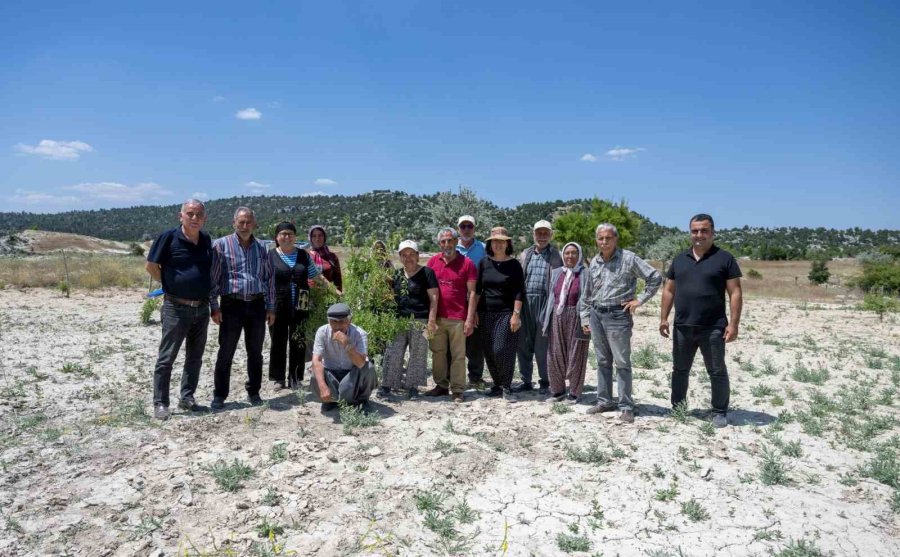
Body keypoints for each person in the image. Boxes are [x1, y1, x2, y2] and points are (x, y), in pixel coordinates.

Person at [660, 214, 742, 428]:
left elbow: (735, 293)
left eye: (704, 230)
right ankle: (678, 407)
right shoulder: (679, 260)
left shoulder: (725, 259)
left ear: (712, 233)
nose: (699, 235)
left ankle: (719, 411)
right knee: (679, 369)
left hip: (713, 327)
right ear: (690, 233)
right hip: (682, 327)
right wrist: (663, 318)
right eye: (695, 231)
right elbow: (668, 290)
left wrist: (733, 324)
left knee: (716, 370)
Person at [582, 223, 662, 423]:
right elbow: (588, 292)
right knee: (602, 361)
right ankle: (605, 401)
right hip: (596, 314)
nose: (604, 241)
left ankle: (626, 405)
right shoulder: (594, 262)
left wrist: (639, 300)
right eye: (600, 238)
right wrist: (585, 316)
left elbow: (655, 277)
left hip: (618, 316)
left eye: (608, 238)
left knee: (622, 362)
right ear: (596, 240)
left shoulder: (628, 258)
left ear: (615, 239)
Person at [145, 199, 213, 420]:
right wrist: (168, 285)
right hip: (176, 307)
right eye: (190, 214)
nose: (194, 218)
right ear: (180, 216)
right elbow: (151, 265)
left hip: (201, 308)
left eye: (199, 215)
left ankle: (187, 397)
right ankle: (160, 403)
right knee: (167, 358)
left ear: (204, 218)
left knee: (195, 356)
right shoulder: (168, 237)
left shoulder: (205, 239)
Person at [209, 207, 276, 410]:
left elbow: (269, 279)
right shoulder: (221, 245)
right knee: (226, 351)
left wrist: (271, 307)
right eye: (241, 222)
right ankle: (220, 395)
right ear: (234, 223)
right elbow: (213, 278)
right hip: (231, 304)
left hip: (257, 305)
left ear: (254, 224)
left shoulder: (263, 248)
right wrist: (214, 305)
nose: (245, 226)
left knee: (255, 352)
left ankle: (254, 392)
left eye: (248, 222)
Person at [377, 240, 439, 399]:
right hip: (398, 320)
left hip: (421, 320)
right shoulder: (395, 274)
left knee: (418, 354)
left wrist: (431, 321)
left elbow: (434, 299)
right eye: (404, 255)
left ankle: (413, 387)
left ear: (418, 256)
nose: (408, 257)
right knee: (393, 352)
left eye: (411, 254)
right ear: (400, 257)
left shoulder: (427, 273)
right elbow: (387, 297)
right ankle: (387, 385)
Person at [425, 227, 478, 403]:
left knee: (458, 355)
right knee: (438, 353)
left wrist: (470, 318)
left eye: (450, 240)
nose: (447, 244)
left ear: (456, 242)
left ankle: (457, 390)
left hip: (458, 317)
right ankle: (441, 385)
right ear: (439, 244)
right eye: (443, 241)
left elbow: (472, 293)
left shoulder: (467, 263)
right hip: (437, 317)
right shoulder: (432, 262)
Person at [268, 222, 322, 391]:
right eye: (283, 234)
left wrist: (335, 291)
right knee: (278, 341)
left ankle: (295, 378)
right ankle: (278, 379)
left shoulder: (303, 256)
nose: (287, 237)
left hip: (302, 304)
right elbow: (264, 281)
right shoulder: (269, 256)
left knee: (298, 341)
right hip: (278, 305)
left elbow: (317, 276)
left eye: (290, 234)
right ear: (277, 237)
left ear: (295, 237)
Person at [475, 227, 525, 402]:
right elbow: (477, 291)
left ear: (507, 244)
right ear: (490, 244)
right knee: (489, 351)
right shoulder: (483, 263)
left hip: (506, 314)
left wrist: (516, 314)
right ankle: (497, 385)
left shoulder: (514, 265)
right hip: (485, 313)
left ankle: (507, 386)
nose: (498, 244)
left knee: (501, 349)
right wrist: (473, 312)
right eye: (495, 241)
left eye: (502, 241)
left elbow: (519, 291)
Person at [515, 219, 563, 395]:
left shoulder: (557, 256)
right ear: (533, 234)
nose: (542, 236)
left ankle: (545, 380)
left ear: (551, 235)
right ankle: (526, 381)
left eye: (545, 233)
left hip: (545, 302)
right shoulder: (525, 254)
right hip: (525, 302)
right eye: (539, 233)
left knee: (543, 345)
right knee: (523, 343)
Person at [542, 242, 591, 404]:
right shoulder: (556, 272)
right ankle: (558, 391)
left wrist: (586, 320)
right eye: (567, 253)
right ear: (563, 255)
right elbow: (551, 296)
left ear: (580, 256)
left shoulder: (585, 274)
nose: (570, 256)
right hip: (557, 315)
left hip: (577, 318)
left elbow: (588, 298)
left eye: (574, 253)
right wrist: (546, 318)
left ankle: (575, 392)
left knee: (577, 354)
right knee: (554, 353)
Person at [312, 303, 378, 411]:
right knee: (315, 368)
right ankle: (329, 401)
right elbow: (316, 360)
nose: (338, 326)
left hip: (351, 374)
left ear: (349, 321)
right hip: (331, 373)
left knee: (368, 368)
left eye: (342, 321)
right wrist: (323, 386)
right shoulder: (322, 332)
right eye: (334, 321)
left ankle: (362, 400)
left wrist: (347, 344)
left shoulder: (360, 334)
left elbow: (361, 363)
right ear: (329, 321)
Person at [455, 215, 487, 389]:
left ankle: (475, 376)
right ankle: (455, 376)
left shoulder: (482, 248)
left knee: (475, 340)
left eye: (469, 226)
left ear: (474, 228)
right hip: (456, 300)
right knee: (456, 338)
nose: (466, 229)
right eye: (463, 226)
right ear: (458, 229)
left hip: (478, 298)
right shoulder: (453, 248)